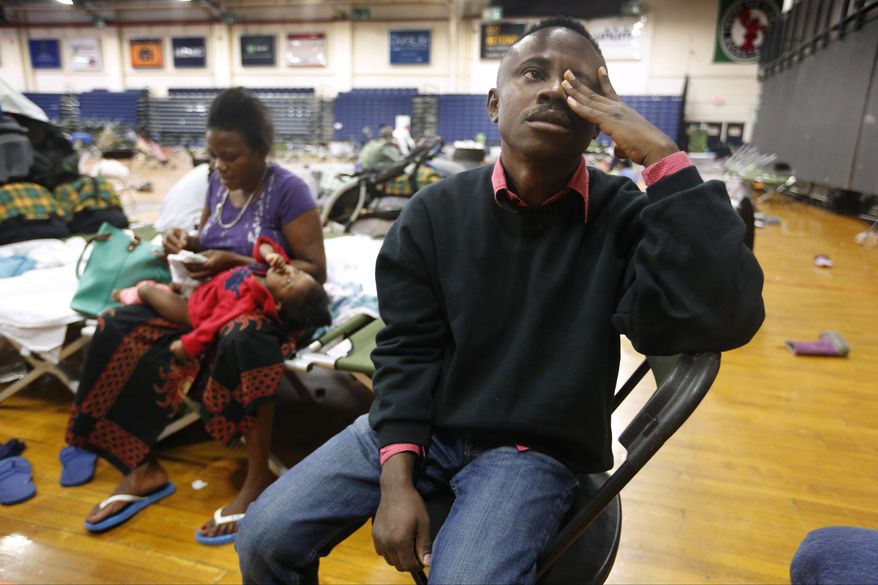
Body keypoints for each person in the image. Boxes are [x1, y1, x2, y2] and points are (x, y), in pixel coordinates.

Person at [237, 17, 764, 584]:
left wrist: (662, 157)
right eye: (533, 73)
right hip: (427, 425)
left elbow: (725, 316)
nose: (551, 90)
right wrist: (396, 477)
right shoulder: (434, 214)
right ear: (493, 104)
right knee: (264, 537)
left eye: (577, 84)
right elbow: (408, 351)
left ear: (598, 121)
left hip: (529, 451)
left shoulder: (624, 217)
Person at [65, 87, 327, 545]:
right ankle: (138, 466)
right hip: (211, 299)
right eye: (213, 156)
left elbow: (312, 270)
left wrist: (239, 263)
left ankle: (257, 475)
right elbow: (209, 242)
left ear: (262, 152)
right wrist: (185, 245)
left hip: (264, 305)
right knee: (115, 324)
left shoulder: (289, 190)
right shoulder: (215, 183)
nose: (220, 166)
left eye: (231, 157)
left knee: (244, 337)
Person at [112, 237, 331, 362]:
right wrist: (270, 255)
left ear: (277, 304)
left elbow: (214, 324)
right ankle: (164, 288)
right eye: (298, 273)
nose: (289, 273)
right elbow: (262, 245)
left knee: (150, 292)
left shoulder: (246, 301)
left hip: (194, 309)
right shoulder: (269, 270)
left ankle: (131, 294)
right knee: (175, 281)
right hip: (205, 288)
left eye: (289, 283)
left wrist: (187, 346)